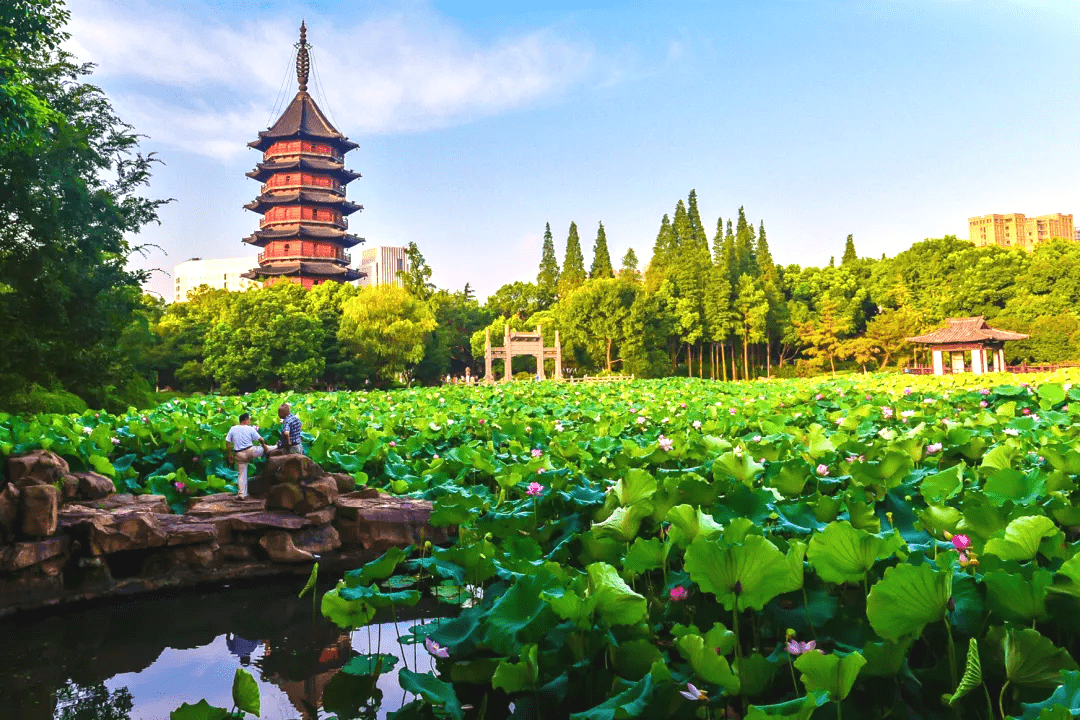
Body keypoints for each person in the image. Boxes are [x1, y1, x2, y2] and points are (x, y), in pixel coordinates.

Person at [225, 412, 270, 499]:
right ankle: (276, 447)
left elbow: (227, 442)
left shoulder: (233, 428)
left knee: (241, 474)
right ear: (245, 420)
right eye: (249, 419)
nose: (249, 421)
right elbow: (261, 439)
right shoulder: (250, 428)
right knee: (267, 448)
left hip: (239, 454)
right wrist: (264, 447)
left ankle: (242, 494)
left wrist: (230, 454)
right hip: (251, 451)